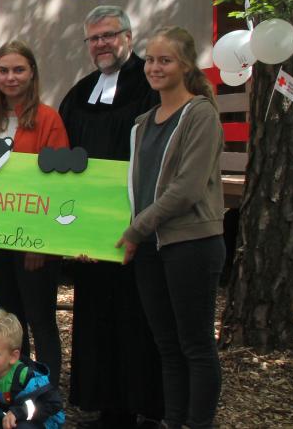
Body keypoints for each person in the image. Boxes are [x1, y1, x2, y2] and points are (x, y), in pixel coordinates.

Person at [58, 5, 164, 429]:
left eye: (109, 35)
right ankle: (108, 405)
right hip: (91, 230)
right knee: (98, 315)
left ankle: (150, 406)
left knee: (141, 315)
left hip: (139, 222)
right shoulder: (80, 91)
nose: (101, 44)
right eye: (94, 38)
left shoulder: (150, 85)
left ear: (128, 37)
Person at [117, 26, 225, 429]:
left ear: (184, 65)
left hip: (192, 243)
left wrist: (135, 229)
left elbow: (187, 189)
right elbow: (137, 187)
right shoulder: (143, 122)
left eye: (165, 60)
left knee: (196, 345)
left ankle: (198, 424)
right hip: (150, 245)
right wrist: (134, 231)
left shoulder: (201, 115)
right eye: (150, 60)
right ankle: (172, 421)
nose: (155, 67)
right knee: (167, 345)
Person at [0, 40, 68, 387]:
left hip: (34, 243)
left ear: (32, 74)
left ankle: (46, 392)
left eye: (19, 70)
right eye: (3, 70)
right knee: (11, 322)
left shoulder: (48, 119)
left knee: (40, 319)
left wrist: (39, 242)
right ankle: (16, 387)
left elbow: (57, 186)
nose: (11, 77)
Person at [0, 309, 64, 429]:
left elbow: (53, 403)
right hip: (1, 415)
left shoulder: (27, 377)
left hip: (31, 420)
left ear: (13, 356)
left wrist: (19, 412)